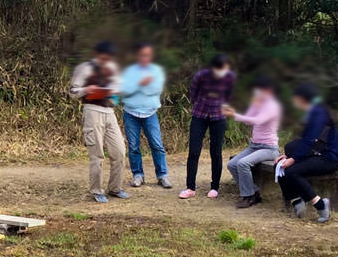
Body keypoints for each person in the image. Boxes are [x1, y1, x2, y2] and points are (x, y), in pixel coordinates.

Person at [68, 41, 130, 203]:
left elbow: (119, 86)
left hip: (110, 111)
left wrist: (115, 90)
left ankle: (115, 187)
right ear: (98, 54)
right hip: (92, 110)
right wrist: (87, 90)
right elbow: (72, 91)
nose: (107, 59)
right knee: (97, 154)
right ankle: (96, 190)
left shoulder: (112, 68)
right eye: (105, 56)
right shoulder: (85, 68)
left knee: (119, 151)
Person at [277, 83, 338, 223]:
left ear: (302, 98)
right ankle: (297, 201)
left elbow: (309, 140)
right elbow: (306, 141)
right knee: (280, 167)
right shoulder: (313, 111)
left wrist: (294, 159)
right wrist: (289, 156)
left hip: (330, 158)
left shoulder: (318, 112)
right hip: (317, 153)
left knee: (291, 171)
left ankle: (320, 205)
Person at [180, 54, 235, 200]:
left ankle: (214, 187)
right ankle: (190, 187)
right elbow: (193, 93)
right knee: (194, 151)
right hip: (200, 114)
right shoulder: (201, 76)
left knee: (216, 152)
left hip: (219, 117)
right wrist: (200, 103)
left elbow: (230, 94)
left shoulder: (229, 77)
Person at [222, 76, 282, 208]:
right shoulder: (259, 102)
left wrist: (234, 115)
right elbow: (248, 120)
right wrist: (254, 105)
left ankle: (248, 197)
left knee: (243, 163)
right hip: (255, 145)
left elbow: (258, 120)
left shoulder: (273, 106)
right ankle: (254, 191)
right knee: (232, 164)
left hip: (270, 148)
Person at [117, 42, 170, 189]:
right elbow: (124, 90)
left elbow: (156, 89)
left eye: (147, 55)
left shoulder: (157, 71)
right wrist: (141, 84)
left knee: (157, 145)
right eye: (142, 55)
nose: (144, 58)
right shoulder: (129, 72)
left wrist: (136, 87)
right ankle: (138, 175)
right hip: (131, 112)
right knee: (133, 146)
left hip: (150, 112)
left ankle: (162, 175)